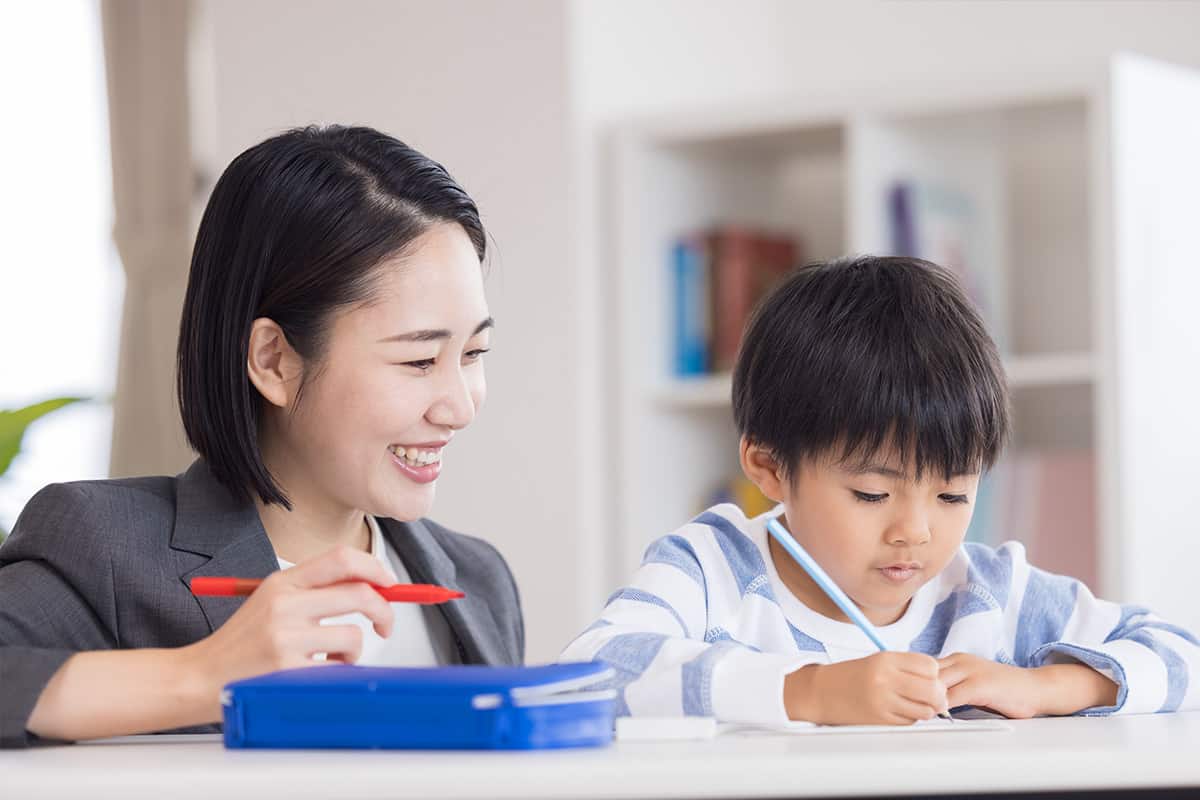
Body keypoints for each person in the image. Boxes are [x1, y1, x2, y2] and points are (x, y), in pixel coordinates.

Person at [0, 125, 522, 748]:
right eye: (418, 361)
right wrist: (201, 675)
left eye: (474, 352)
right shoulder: (103, 546)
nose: (459, 408)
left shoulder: (477, 578)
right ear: (274, 360)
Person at [562, 255, 1199, 726]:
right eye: (872, 493)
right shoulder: (713, 570)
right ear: (768, 465)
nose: (917, 532)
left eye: (952, 496)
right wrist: (809, 691)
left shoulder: (988, 593)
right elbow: (591, 672)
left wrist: (1051, 687)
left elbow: (1184, 656)